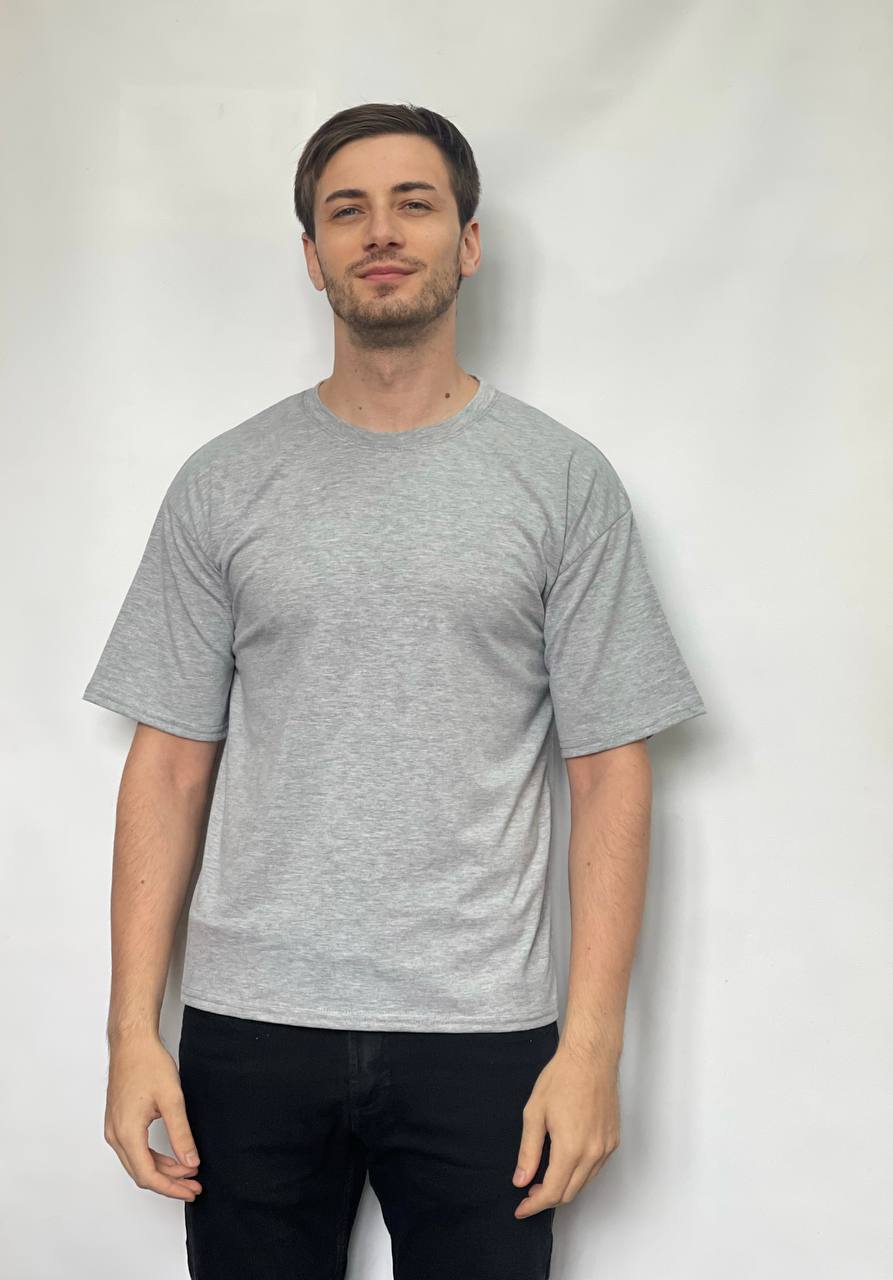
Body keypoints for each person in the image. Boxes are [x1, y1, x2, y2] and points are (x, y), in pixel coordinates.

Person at [82, 102, 707, 1279]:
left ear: (466, 242)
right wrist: (130, 1034)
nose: (380, 231)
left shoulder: (561, 482)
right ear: (311, 253)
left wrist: (590, 1047)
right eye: (346, 210)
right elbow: (165, 765)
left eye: (413, 204)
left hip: (482, 1031)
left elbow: (608, 770)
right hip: (250, 1024)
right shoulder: (223, 483)